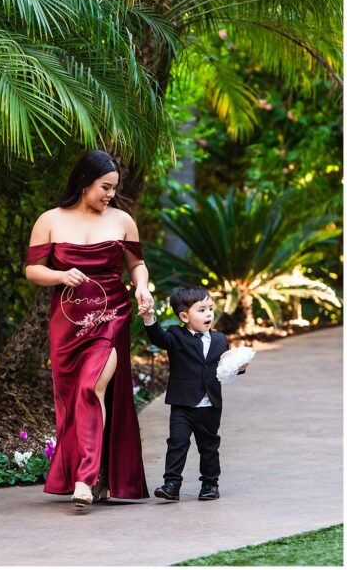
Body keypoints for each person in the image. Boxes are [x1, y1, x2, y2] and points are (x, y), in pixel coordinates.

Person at [24, 150, 152, 508]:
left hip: (111, 314)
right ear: (84, 182)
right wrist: (60, 275)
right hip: (67, 322)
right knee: (73, 398)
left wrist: (141, 286)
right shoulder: (49, 220)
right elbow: (33, 270)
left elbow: (137, 264)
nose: (110, 194)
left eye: (114, 188)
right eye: (105, 187)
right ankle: (94, 475)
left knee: (91, 385)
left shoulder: (123, 220)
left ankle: (86, 478)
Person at [143, 286, 241, 501]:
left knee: (209, 446)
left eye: (210, 309)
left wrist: (238, 366)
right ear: (184, 316)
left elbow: (224, 366)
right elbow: (159, 338)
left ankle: (209, 484)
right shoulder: (176, 336)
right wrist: (150, 318)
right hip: (183, 404)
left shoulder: (219, 339)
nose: (208, 314)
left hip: (210, 405)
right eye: (202, 310)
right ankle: (171, 484)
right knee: (177, 443)